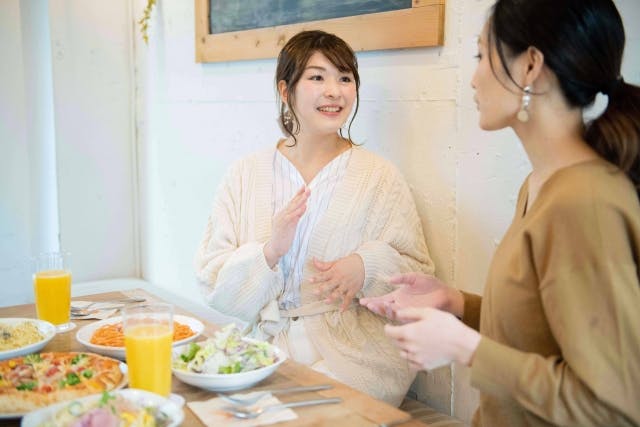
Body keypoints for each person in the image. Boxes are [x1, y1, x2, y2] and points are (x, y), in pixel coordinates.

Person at [361, 0, 640, 425]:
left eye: (480, 55)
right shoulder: (540, 184)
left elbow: (613, 405)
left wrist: (465, 348)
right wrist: (457, 303)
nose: (473, 78)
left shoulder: (585, 203)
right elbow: (539, 334)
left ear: (530, 66)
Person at [194, 30, 435, 406]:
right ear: (285, 90)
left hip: (355, 355)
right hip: (265, 347)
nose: (334, 92)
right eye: (317, 77)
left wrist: (366, 267)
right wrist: (269, 252)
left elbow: (419, 276)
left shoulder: (379, 177)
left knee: (289, 411)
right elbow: (213, 281)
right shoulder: (244, 174)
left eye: (345, 78)